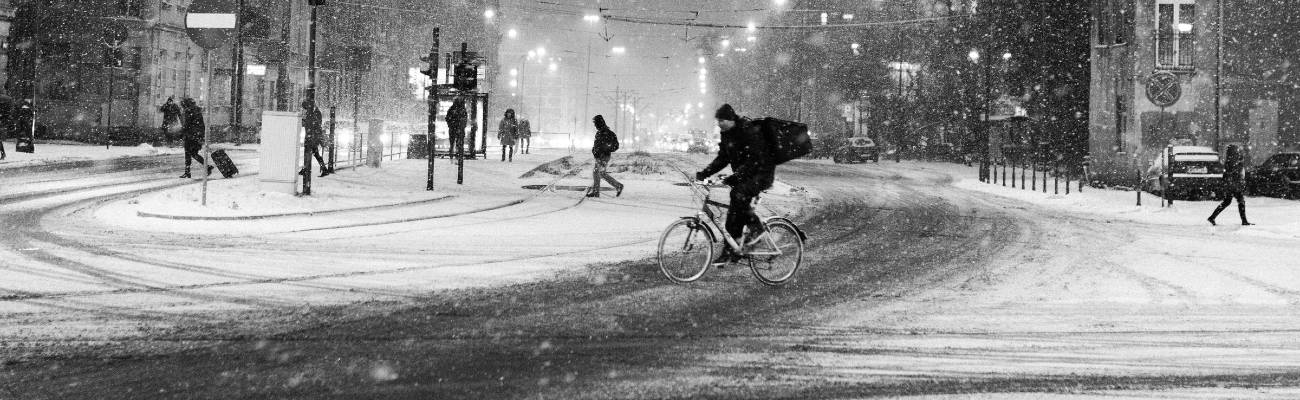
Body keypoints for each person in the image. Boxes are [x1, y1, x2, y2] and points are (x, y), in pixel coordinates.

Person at [694, 104, 775, 265]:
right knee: (732, 215)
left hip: (762, 173)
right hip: (745, 174)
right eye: (718, 120)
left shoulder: (747, 130)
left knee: (738, 195)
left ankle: (757, 229)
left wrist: (737, 176)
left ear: (731, 119)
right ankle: (730, 251)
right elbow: (723, 158)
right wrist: (705, 173)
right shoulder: (727, 134)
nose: (719, 123)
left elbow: (755, 159)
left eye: (722, 120)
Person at [1209, 144, 1253, 226]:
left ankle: (1212, 217)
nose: (1238, 151)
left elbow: (1231, 173)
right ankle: (1244, 221)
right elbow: (1235, 172)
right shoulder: (1233, 160)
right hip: (1233, 185)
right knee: (1240, 201)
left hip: (1230, 184)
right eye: (1237, 150)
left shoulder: (1230, 159)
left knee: (1228, 202)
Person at [588, 115, 624, 198]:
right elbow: (596, 144)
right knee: (599, 173)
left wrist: (605, 149)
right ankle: (616, 186)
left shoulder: (607, 133)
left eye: (595, 124)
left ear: (599, 124)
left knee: (598, 172)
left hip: (604, 156)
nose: (595, 126)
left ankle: (598, 192)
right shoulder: (600, 133)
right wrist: (594, 150)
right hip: (599, 156)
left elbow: (615, 146)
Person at [179, 98, 212, 178]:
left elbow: (187, 125)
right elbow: (201, 125)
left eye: (183, 106)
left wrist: (181, 132)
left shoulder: (189, 111)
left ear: (186, 105)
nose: (183, 108)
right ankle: (206, 167)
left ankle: (188, 172)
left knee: (188, 153)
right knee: (193, 153)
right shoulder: (197, 111)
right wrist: (201, 136)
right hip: (197, 136)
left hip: (191, 135)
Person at [299, 100, 331, 177]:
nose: (305, 110)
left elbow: (313, 123)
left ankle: (308, 169)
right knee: (313, 153)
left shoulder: (315, 113)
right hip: (312, 136)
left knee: (312, 153)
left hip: (313, 137)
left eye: (305, 108)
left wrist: (304, 121)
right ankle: (308, 169)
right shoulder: (313, 112)